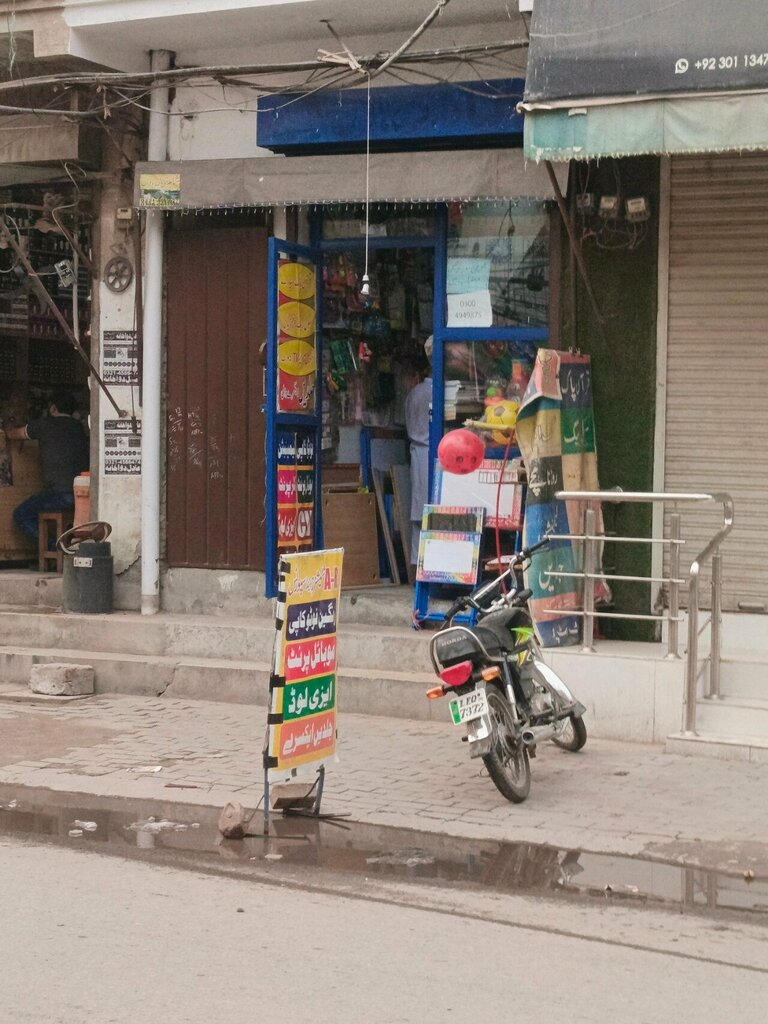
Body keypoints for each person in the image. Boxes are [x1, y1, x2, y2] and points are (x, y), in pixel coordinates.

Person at [0, 391, 89, 539]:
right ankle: (62, 549)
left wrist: (8, 422)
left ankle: (55, 548)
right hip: (83, 495)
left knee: (21, 514)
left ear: (53, 408)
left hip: (60, 494)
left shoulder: (44, 425)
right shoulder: (79, 428)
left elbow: (12, 434)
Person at [404, 337, 433, 570]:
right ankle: (428, 565)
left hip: (418, 453)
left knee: (419, 512)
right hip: (431, 453)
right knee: (432, 510)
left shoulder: (414, 394)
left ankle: (417, 564)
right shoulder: (436, 392)